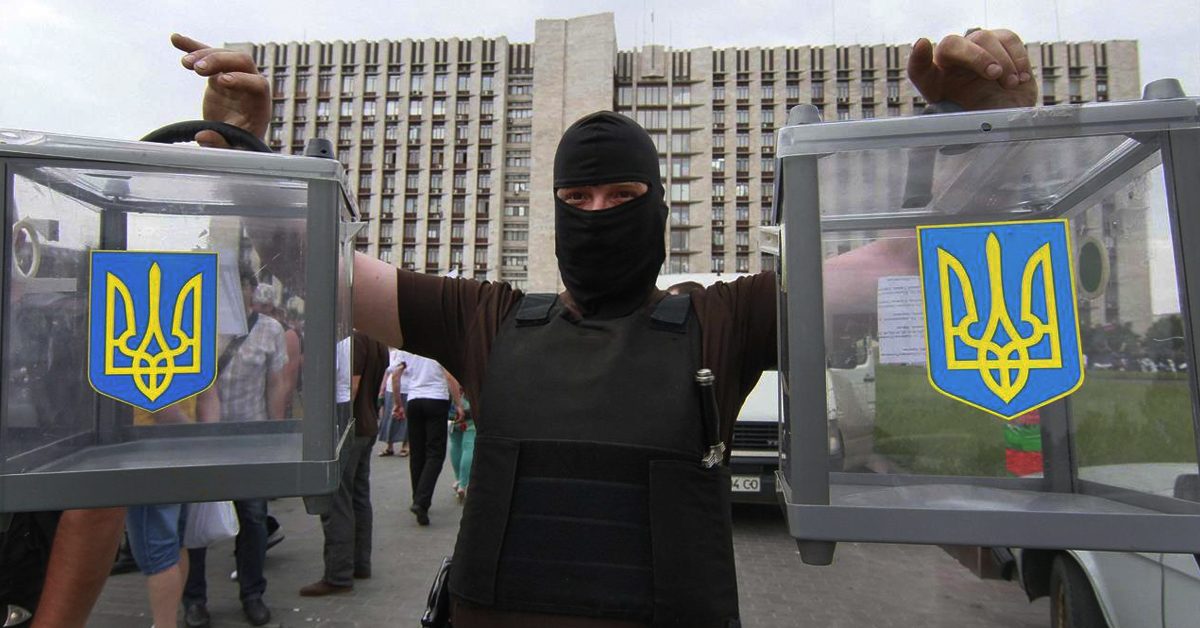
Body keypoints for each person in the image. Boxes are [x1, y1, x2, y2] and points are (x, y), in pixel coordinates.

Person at [173, 27, 1035, 627]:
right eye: (576, 197)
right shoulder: (488, 320)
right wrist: (244, 145)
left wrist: (990, 134)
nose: (597, 212)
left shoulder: (721, 321)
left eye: (622, 196)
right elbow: (313, 268)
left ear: (657, 208)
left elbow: (911, 264)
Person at [183, 271, 288, 627]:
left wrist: (274, 433)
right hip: (204, 439)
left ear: (250, 290)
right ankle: (194, 600)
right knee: (195, 519)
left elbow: (277, 384)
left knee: (254, 518)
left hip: (250, 438)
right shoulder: (199, 326)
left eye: (239, 285)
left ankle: (252, 593)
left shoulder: (270, 330)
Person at [300, 330, 389, 596]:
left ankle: (338, 574)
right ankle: (360, 563)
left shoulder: (354, 341)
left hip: (347, 424)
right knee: (359, 496)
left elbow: (351, 387)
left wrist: (332, 425)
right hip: (366, 423)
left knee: (337, 499)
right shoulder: (376, 340)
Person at [392, 350, 461, 526]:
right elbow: (449, 376)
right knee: (435, 454)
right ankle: (421, 500)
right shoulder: (438, 345)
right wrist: (458, 404)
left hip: (414, 399)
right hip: (436, 399)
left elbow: (396, 375)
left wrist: (397, 403)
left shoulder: (407, 349)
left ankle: (418, 497)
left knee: (417, 454)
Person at [377, 348, 408, 456]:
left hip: (406, 388)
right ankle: (389, 445)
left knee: (405, 418)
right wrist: (382, 389)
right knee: (389, 417)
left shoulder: (407, 353)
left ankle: (406, 445)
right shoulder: (392, 353)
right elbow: (387, 372)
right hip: (391, 388)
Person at [447, 388, 475, 502]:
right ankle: (464, 484)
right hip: (468, 407)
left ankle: (458, 479)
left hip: (451, 409)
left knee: (455, 444)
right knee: (468, 446)